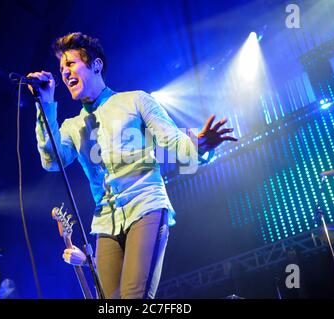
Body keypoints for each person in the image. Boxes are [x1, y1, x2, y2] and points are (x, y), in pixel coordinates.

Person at [28, 32, 237, 299]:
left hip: (146, 205)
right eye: (61, 68)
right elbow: (52, 161)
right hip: (105, 222)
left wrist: (200, 145)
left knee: (133, 296)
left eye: (70, 64)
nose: (64, 72)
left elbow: (172, 140)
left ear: (96, 65)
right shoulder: (72, 127)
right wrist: (44, 104)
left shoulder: (136, 100)